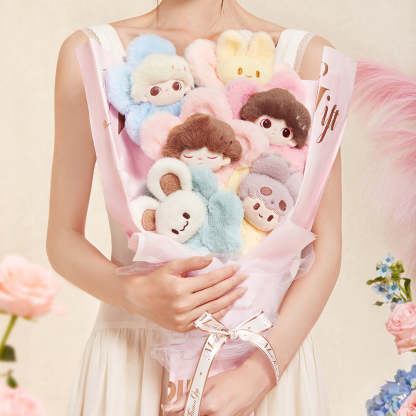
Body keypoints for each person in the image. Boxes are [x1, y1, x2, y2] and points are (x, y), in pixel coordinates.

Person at [47, 0, 342, 415]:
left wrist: (260, 372)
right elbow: (62, 239)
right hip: (134, 357)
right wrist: (131, 292)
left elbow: (326, 247)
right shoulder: (94, 54)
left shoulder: (306, 59)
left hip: (264, 356)